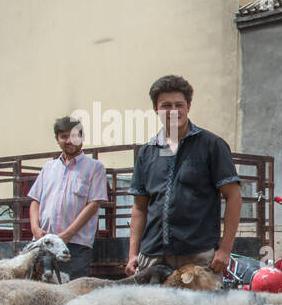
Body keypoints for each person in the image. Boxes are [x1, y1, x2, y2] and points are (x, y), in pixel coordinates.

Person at [125, 75, 241, 276]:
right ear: (156, 109)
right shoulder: (147, 152)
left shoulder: (211, 145)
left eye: (179, 104)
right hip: (153, 256)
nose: (173, 111)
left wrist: (224, 249)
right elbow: (139, 207)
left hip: (197, 256)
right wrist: (133, 254)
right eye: (166, 105)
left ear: (188, 106)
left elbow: (233, 197)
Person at [27, 117, 108, 278]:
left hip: (75, 246)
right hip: (44, 245)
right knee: (40, 294)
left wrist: (67, 234)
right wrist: (35, 229)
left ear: (82, 137)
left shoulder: (94, 168)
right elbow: (35, 201)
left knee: (72, 294)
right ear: (57, 139)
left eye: (73, 136)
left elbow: (93, 204)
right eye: (63, 136)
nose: (68, 141)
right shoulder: (48, 168)